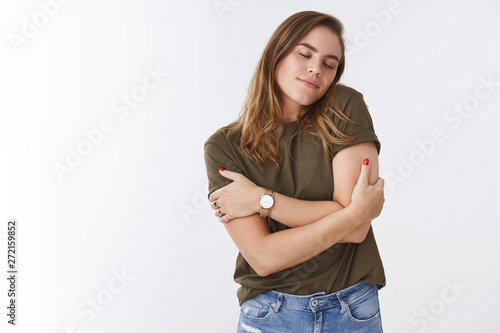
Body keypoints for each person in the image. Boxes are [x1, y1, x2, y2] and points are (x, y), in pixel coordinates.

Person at [204, 10, 386, 332]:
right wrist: (351, 213)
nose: (316, 68)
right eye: (305, 54)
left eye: (330, 64)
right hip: (269, 314)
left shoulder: (344, 106)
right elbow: (264, 258)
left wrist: (262, 200)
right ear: (276, 53)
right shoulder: (224, 146)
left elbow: (356, 230)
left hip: (352, 308)